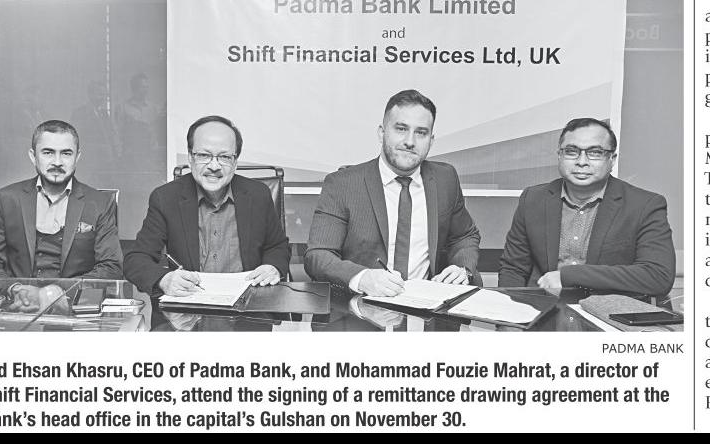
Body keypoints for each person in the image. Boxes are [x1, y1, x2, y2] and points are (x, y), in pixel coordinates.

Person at [304, 89, 482, 297]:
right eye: (401, 129)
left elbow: (464, 235)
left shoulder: (445, 179)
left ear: (431, 140)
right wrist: (362, 278)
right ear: (382, 133)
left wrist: (462, 269)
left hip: (427, 305)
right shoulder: (342, 184)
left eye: (421, 133)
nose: (410, 141)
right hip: (362, 305)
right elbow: (318, 255)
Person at [498, 117, 676, 297]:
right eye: (571, 151)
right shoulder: (533, 199)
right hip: (542, 309)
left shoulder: (644, 205)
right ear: (559, 155)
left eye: (595, 152)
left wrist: (570, 276)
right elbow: (513, 269)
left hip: (608, 311)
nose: (581, 161)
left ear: (612, 159)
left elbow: (658, 276)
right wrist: (508, 311)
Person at [123, 115, 290, 297]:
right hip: (189, 303)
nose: (214, 166)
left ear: (235, 162)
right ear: (190, 157)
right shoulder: (165, 198)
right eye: (204, 155)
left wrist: (273, 267)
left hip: (248, 302)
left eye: (224, 157)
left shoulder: (258, 195)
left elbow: (278, 246)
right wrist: (164, 279)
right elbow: (136, 259)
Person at [0, 119, 123, 280]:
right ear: (33, 156)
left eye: (66, 153)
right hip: (20, 295)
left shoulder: (99, 203)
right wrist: (15, 289)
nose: (57, 162)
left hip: (74, 295)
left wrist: (62, 290)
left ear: (77, 157)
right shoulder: (8, 199)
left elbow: (112, 267)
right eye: (48, 152)